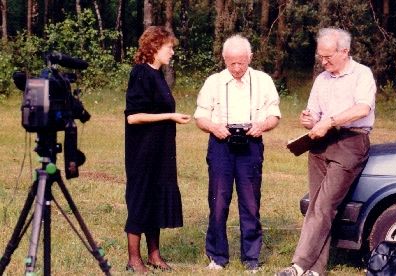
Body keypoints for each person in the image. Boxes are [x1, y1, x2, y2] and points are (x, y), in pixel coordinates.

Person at [275, 27, 376, 276]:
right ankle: (316, 270)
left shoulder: (362, 75)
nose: (323, 61)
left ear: (345, 51)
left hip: (351, 141)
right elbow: (314, 115)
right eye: (320, 56)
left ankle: (298, 265)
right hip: (320, 142)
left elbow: (362, 108)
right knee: (317, 205)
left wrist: (329, 121)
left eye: (328, 56)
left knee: (324, 205)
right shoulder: (322, 79)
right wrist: (309, 120)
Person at [194, 34, 281, 271]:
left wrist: (261, 126)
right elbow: (200, 116)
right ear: (224, 59)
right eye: (231, 63)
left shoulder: (263, 81)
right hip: (221, 143)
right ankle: (217, 256)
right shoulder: (213, 82)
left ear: (250, 58)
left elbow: (274, 115)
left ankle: (251, 258)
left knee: (251, 201)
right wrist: (214, 127)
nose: (236, 68)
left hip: (251, 143)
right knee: (219, 200)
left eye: (241, 62)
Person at [124, 26, 191, 274]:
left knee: (156, 200)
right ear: (154, 47)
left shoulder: (158, 74)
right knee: (140, 199)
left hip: (161, 152)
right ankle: (134, 259)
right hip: (142, 152)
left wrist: (169, 118)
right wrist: (170, 116)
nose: (172, 52)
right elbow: (133, 117)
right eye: (169, 47)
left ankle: (154, 255)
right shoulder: (140, 74)